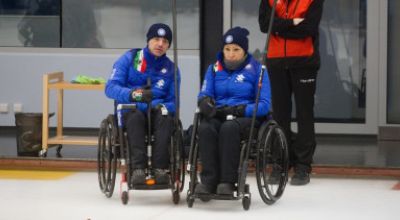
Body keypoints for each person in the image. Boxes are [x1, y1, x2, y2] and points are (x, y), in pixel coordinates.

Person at [195, 27, 271, 195]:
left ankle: (227, 182)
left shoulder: (258, 70)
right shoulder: (214, 69)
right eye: (227, 49)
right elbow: (205, 93)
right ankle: (208, 181)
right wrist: (204, 102)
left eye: (236, 49)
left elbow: (265, 105)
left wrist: (241, 109)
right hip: (220, 113)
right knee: (206, 128)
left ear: (244, 51)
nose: (230, 54)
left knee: (229, 128)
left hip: (245, 117)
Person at [105, 23, 180, 185]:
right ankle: (137, 168)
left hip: (156, 111)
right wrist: (133, 94)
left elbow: (174, 103)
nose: (160, 44)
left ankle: (161, 169)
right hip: (132, 109)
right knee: (135, 117)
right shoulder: (130, 58)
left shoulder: (172, 69)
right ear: (148, 40)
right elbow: (110, 88)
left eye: (165, 41)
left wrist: (164, 107)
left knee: (166, 118)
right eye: (156, 39)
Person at [259, 0, 324, 185]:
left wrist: (279, 27)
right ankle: (281, 163)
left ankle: (303, 166)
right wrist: (292, 22)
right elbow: (265, 25)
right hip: (276, 61)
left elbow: (309, 28)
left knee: (304, 114)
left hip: (304, 61)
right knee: (280, 115)